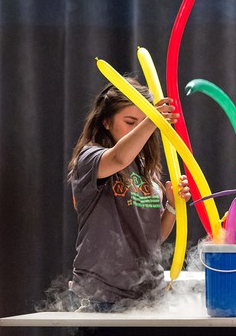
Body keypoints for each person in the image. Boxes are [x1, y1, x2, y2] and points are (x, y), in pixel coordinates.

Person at [66, 76, 191, 311]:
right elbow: (118, 158)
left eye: (144, 123)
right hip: (100, 295)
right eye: (130, 122)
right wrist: (153, 120)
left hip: (148, 294)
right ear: (106, 122)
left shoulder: (147, 167)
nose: (141, 130)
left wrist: (172, 206)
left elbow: (152, 238)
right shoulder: (90, 157)